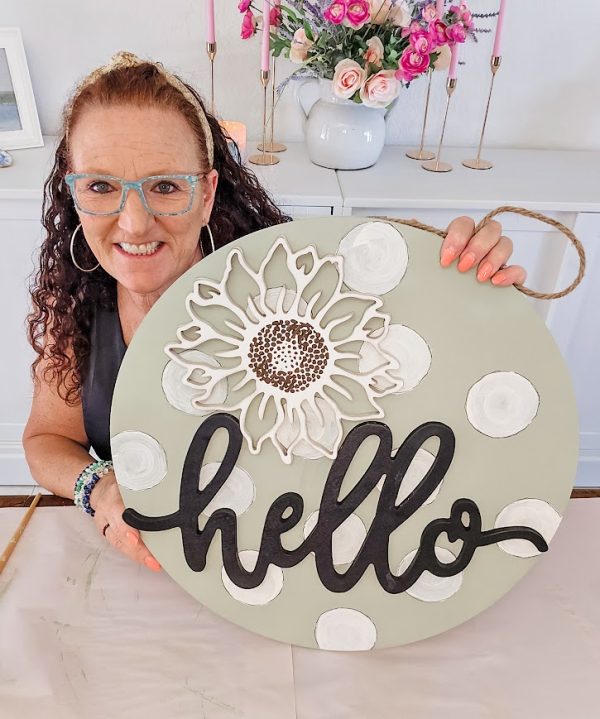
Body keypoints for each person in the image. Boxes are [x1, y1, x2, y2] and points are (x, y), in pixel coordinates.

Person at [22, 51, 526, 573]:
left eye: (166, 186)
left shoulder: (301, 286)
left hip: (301, 572)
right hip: (143, 575)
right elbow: (46, 441)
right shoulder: (77, 307)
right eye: (100, 187)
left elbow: (422, 373)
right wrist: (97, 486)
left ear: (207, 193)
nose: (132, 223)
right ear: (73, 192)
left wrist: (465, 282)